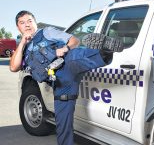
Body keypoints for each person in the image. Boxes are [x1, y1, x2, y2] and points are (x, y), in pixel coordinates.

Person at [10, 10, 123, 145]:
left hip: (67, 64)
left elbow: (75, 40)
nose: (27, 25)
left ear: (35, 22)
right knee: (62, 122)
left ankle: (104, 52)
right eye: (22, 23)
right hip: (60, 83)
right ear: (18, 27)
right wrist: (22, 43)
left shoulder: (46, 32)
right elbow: (14, 67)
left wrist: (64, 49)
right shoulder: (23, 49)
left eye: (29, 21)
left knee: (75, 56)